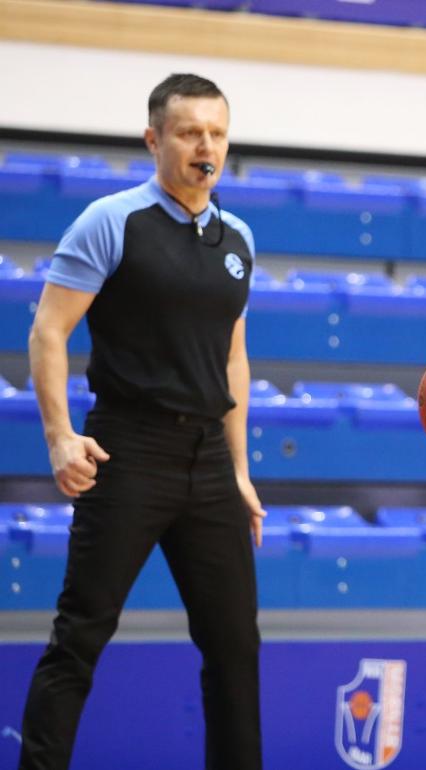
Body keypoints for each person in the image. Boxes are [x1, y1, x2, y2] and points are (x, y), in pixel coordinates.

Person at [20, 73, 265, 770]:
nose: (205, 147)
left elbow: (234, 360)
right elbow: (47, 332)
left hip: (208, 462)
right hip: (127, 449)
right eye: (189, 133)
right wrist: (61, 437)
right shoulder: (111, 221)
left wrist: (240, 470)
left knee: (234, 649)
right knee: (80, 637)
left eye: (217, 133)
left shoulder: (238, 237)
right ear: (153, 139)